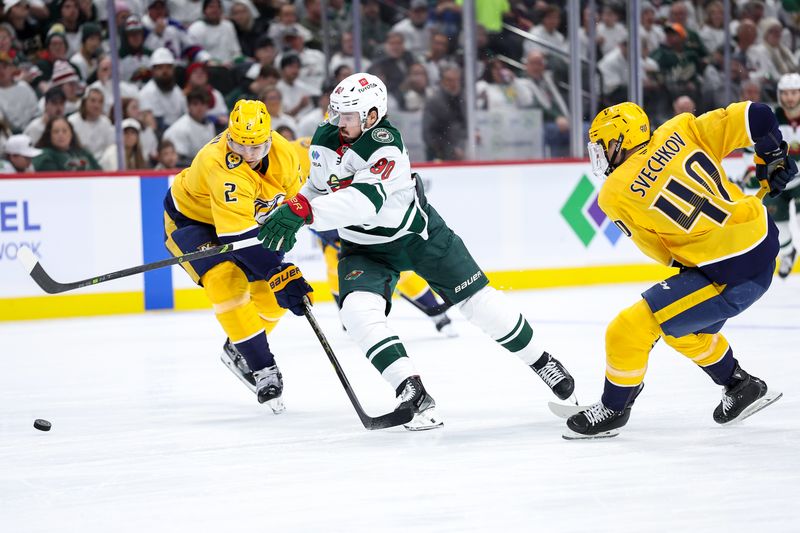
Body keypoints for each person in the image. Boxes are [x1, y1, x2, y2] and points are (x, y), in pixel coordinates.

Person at [257, 73, 575, 430]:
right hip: (364, 248)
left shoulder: (385, 144)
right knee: (357, 313)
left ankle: (542, 361)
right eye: (335, 112)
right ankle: (411, 388)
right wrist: (294, 204)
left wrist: (304, 214)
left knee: (480, 305)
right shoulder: (326, 138)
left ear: (372, 116)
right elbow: (318, 186)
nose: (338, 121)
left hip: (418, 235)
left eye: (347, 116)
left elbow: (365, 204)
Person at [564, 100, 795, 439]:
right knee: (682, 327)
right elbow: (759, 115)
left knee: (627, 330)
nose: (599, 155)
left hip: (730, 272)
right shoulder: (682, 128)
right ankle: (738, 386)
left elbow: (665, 255)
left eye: (602, 147)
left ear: (619, 142)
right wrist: (772, 158)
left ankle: (613, 409)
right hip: (761, 242)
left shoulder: (613, 195)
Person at [163, 100, 307, 413]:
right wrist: (278, 271)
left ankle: (240, 347)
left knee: (270, 296)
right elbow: (238, 237)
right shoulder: (220, 164)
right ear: (230, 136)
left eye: (256, 146)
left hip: (242, 223)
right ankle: (262, 368)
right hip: (193, 221)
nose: (249, 155)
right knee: (225, 281)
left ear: (269, 139)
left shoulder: (285, 155)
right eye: (240, 144)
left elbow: (297, 205)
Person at [32, 116, 101, 171]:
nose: (61, 135)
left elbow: (100, 174)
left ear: (71, 134)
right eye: (56, 132)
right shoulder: (45, 156)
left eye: (65, 131)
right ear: (49, 135)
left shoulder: (83, 152)